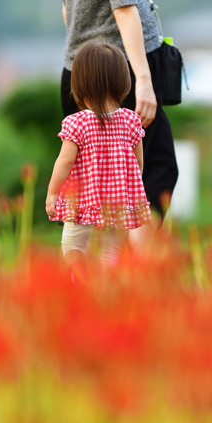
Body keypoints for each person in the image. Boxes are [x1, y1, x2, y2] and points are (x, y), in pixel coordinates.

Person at [58, 0, 177, 222]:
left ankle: (97, 254)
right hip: (119, 68)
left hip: (79, 68)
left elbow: (67, 10)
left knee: (90, 168)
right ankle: (135, 257)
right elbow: (123, 9)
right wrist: (143, 78)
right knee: (155, 166)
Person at [45, 41, 151, 270]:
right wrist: (129, 189)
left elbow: (65, 162)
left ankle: (80, 282)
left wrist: (53, 192)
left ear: (80, 85)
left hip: (81, 202)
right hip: (117, 203)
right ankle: (105, 289)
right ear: (123, 83)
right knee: (111, 250)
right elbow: (138, 162)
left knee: (74, 244)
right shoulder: (131, 121)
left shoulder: (76, 123)